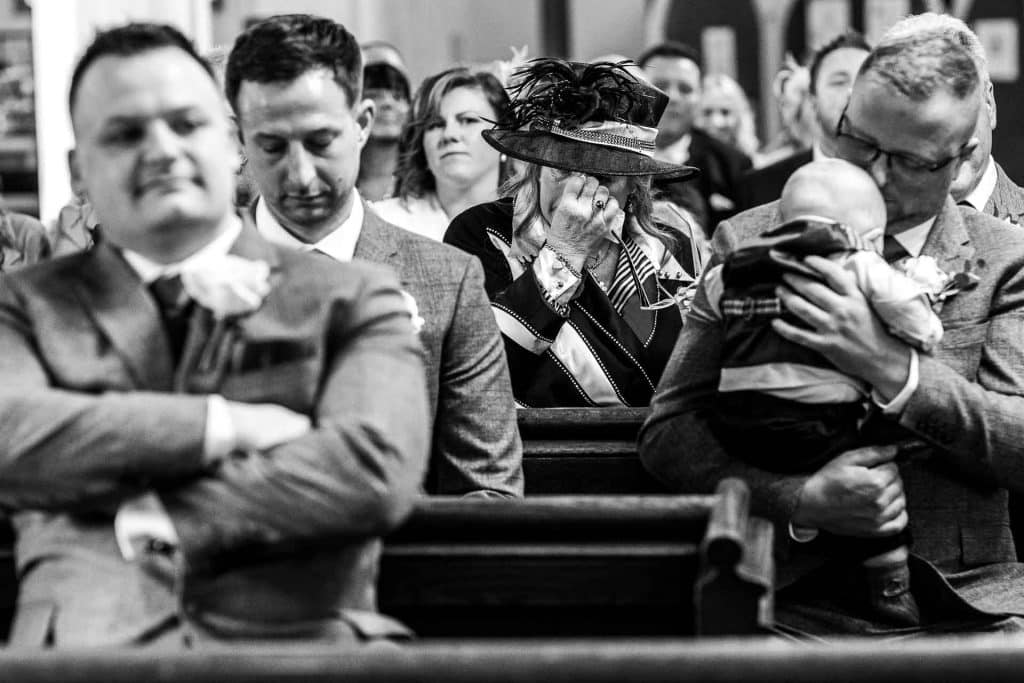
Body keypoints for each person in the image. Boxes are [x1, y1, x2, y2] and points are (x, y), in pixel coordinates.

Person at [0, 22, 429, 648]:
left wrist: (152, 515)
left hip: (304, 649)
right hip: (84, 653)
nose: (162, 150)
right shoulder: (25, 304)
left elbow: (370, 467)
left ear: (231, 142)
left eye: (186, 123)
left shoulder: (354, 297)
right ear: (80, 168)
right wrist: (223, 425)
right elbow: (11, 436)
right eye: (124, 134)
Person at [641, 30, 1024, 637]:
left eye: (903, 160)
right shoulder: (751, 239)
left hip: (972, 600)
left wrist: (895, 373)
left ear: (959, 158)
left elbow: (1019, 443)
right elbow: (668, 432)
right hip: (796, 595)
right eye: (859, 140)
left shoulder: (1006, 259)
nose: (872, 171)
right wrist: (799, 498)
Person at [227, 14, 523, 497]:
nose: (300, 175)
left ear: (362, 124)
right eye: (273, 146)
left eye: (321, 142)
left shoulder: (449, 280)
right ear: (240, 137)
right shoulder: (193, 271)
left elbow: (487, 490)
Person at [705, 159, 945, 626]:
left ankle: (780, 538)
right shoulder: (853, 259)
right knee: (879, 464)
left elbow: (709, 304)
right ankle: (890, 581)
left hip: (735, 420)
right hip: (817, 421)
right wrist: (927, 329)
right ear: (862, 234)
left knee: (759, 473)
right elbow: (909, 313)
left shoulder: (738, 262)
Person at [444, 58, 705, 408]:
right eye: (563, 171)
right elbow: (478, 369)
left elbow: (700, 368)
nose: (576, 194)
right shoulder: (481, 232)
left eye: (605, 178)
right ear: (535, 170)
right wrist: (564, 253)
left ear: (635, 186)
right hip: (541, 453)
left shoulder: (669, 242)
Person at [883, 13, 1024, 225]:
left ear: (990, 103)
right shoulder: (861, 233)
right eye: (921, 110)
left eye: (959, 100)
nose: (946, 132)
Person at [372, 67, 511, 241]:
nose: (449, 134)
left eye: (468, 120)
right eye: (435, 125)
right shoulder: (383, 223)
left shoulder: (536, 227)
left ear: (505, 136)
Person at [740, 32, 870, 211]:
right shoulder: (762, 186)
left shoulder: (897, 181)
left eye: (863, 81)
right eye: (839, 82)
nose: (851, 92)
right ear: (812, 100)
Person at [638, 41, 752, 235]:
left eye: (685, 89)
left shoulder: (730, 164)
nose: (672, 97)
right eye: (660, 85)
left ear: (700, 96)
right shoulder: (610, 155)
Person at [356, 41, 412, 202]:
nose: (388, 103)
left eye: (398, 95)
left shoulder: (433, 181)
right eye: (373, 94)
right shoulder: (333, 179)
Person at [699, 73, 760, 164]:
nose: (716, 122)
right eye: (707, 113)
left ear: (741, 118)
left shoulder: (756, 166)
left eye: (725, 112)